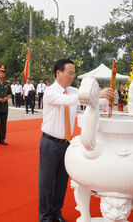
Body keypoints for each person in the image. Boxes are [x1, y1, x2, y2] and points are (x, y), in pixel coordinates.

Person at [39, 58, 115, 222]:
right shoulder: (50, 92)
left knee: (61, 182)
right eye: (69, 73)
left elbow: (90, 101)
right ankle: (45, 217)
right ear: (58, 73)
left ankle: (56, 213)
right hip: (49, 143)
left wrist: (107, 97)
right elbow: (68, 101)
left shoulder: (74, 91)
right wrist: (94, 94)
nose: (72, 76)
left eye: (74, 73)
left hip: (67, 144)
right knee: (46, 183)